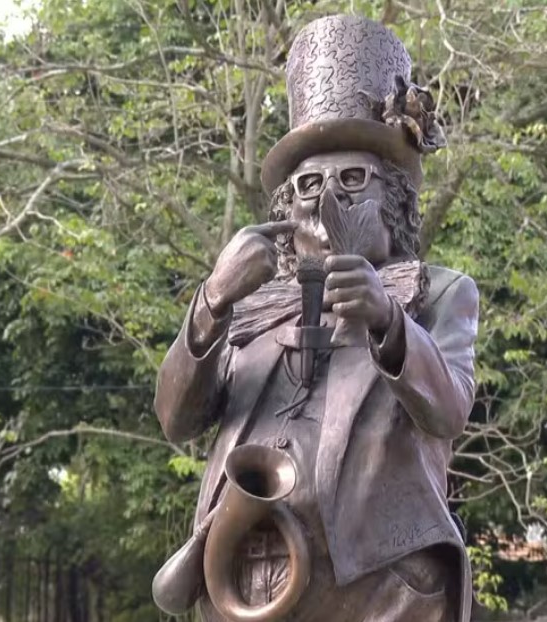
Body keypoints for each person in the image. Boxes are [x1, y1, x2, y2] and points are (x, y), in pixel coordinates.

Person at [153, 14, 479, 622]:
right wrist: (213, 301)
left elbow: (449, 410)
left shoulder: (438, 292)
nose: (327, 197)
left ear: (395, 201)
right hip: (247, 578)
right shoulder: (247, 306)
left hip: (382, 591)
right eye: (308, 184)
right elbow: (177, 421)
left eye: (354, 178)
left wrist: (387, 320)